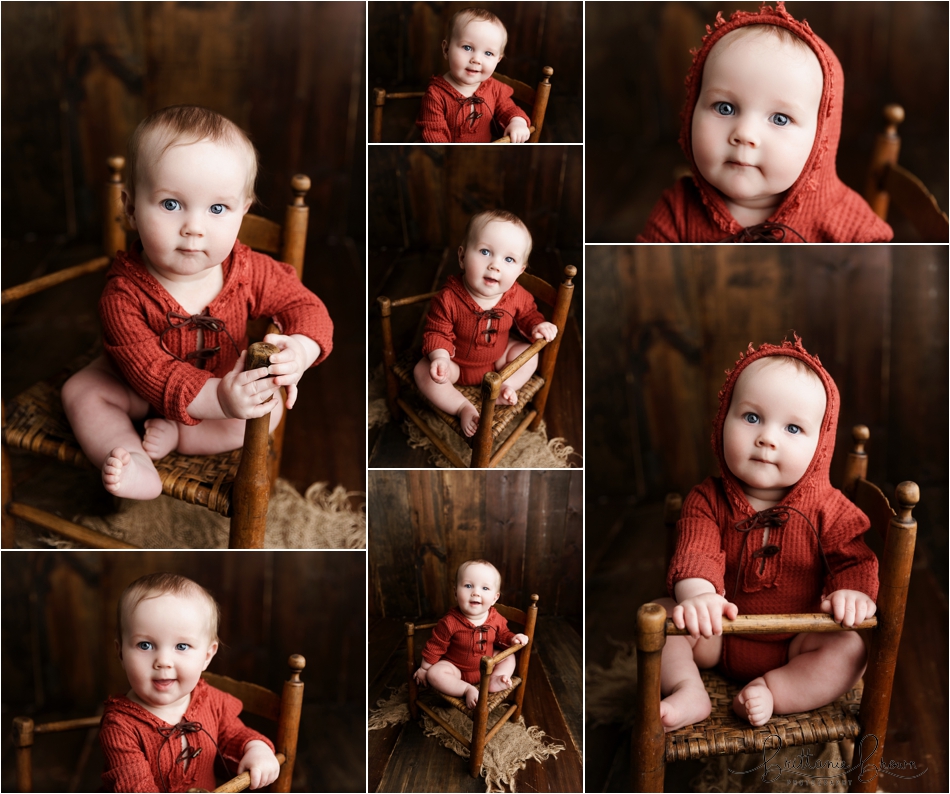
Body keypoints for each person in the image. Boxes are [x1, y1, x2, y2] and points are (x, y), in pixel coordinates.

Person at [61, 105, 333, 500]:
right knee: (81, 392)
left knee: (266, 408)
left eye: (217, 208)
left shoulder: (247, 270)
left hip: (223, 389)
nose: (194, 227)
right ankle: (132, 457)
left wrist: (302, 349)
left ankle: (185, 437)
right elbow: (150, 370)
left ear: (243, 212)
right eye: (171, 204)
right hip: (134, 388)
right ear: (131, 207)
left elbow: (306, 306)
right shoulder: (122, 294)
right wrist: (216, 397)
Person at [657, 337, 878, 731]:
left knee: (851, 648)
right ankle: (689, 689)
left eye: (793, 427)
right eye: (752, 418)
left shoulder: (830, 509)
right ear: (723, 418)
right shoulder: (707, 499)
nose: (767, 438)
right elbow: (696, 552)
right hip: (717, 635)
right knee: (659, 622)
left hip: (797, 642)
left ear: (820, 446)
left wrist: (853, 593)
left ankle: (777, 691)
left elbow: (855, 559)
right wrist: (699, 596)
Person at [638, 2, 893, 242]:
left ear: (820, 141)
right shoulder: (677, 212)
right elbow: (644, 278)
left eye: (780, 119)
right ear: (693, 108)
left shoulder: (850, 228)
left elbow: (877, 283)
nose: (745, 134)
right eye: (725, 108)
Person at [100, 573, 280, 791]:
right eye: (145, 645)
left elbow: (233, 735)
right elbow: (134, 785)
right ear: (120, 653)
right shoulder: (120, 727)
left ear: (206, 655)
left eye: (182, 646)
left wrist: (255, 748)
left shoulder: (209, 700)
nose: (163, 662)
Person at [413, 210, 557, 437]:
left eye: (508, 259)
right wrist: (439, 358)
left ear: (519, 271)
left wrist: (536, 326)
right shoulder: (449, 298)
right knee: (422, 371)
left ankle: (506, 386)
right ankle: (462, 408)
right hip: (456, 365)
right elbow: (437, 331)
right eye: (485, 251)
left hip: (499, 360)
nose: (495, 265)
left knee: (529, 353)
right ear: (462, 257)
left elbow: (529, 314)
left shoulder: (516, 294)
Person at [414, 560, 529, 709]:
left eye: (485, 588)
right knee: (434, 673)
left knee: (509, 656)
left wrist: (513, 639)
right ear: (456, 593)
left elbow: (503, 636)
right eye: (468, 586)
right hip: (456, 669)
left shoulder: (495, 618)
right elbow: (435, 646)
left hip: (487, 667)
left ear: (495, 598)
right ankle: (466, 689)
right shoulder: (449, 622)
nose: (476, 592)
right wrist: (424, 668)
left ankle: (494, 680)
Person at [416, 7, 531, 143]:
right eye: (467, 47)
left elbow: (509, 109)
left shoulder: (494, 88)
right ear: (446, 50)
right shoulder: (435, 95)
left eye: (488, 53)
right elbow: (435, 134)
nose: (476, 59)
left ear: (498, 60)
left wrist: (517, 122)